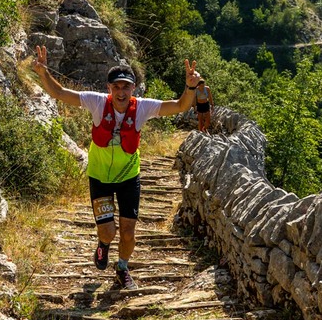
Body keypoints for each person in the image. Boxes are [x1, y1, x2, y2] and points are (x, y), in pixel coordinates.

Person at [30, 45, 202, 289]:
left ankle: (122, 268)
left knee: (129, 232)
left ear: (133, 89)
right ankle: (103, 245)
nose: (121, 92)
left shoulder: (142, 107)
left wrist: (191, 87)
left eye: (126, 87)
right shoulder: (97, 103)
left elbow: (180, 106)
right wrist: (43, 72)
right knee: (108, 232)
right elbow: (59, 93)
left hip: (128, 178)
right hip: (99, 177)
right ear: (108, 89)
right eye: (116, 87)